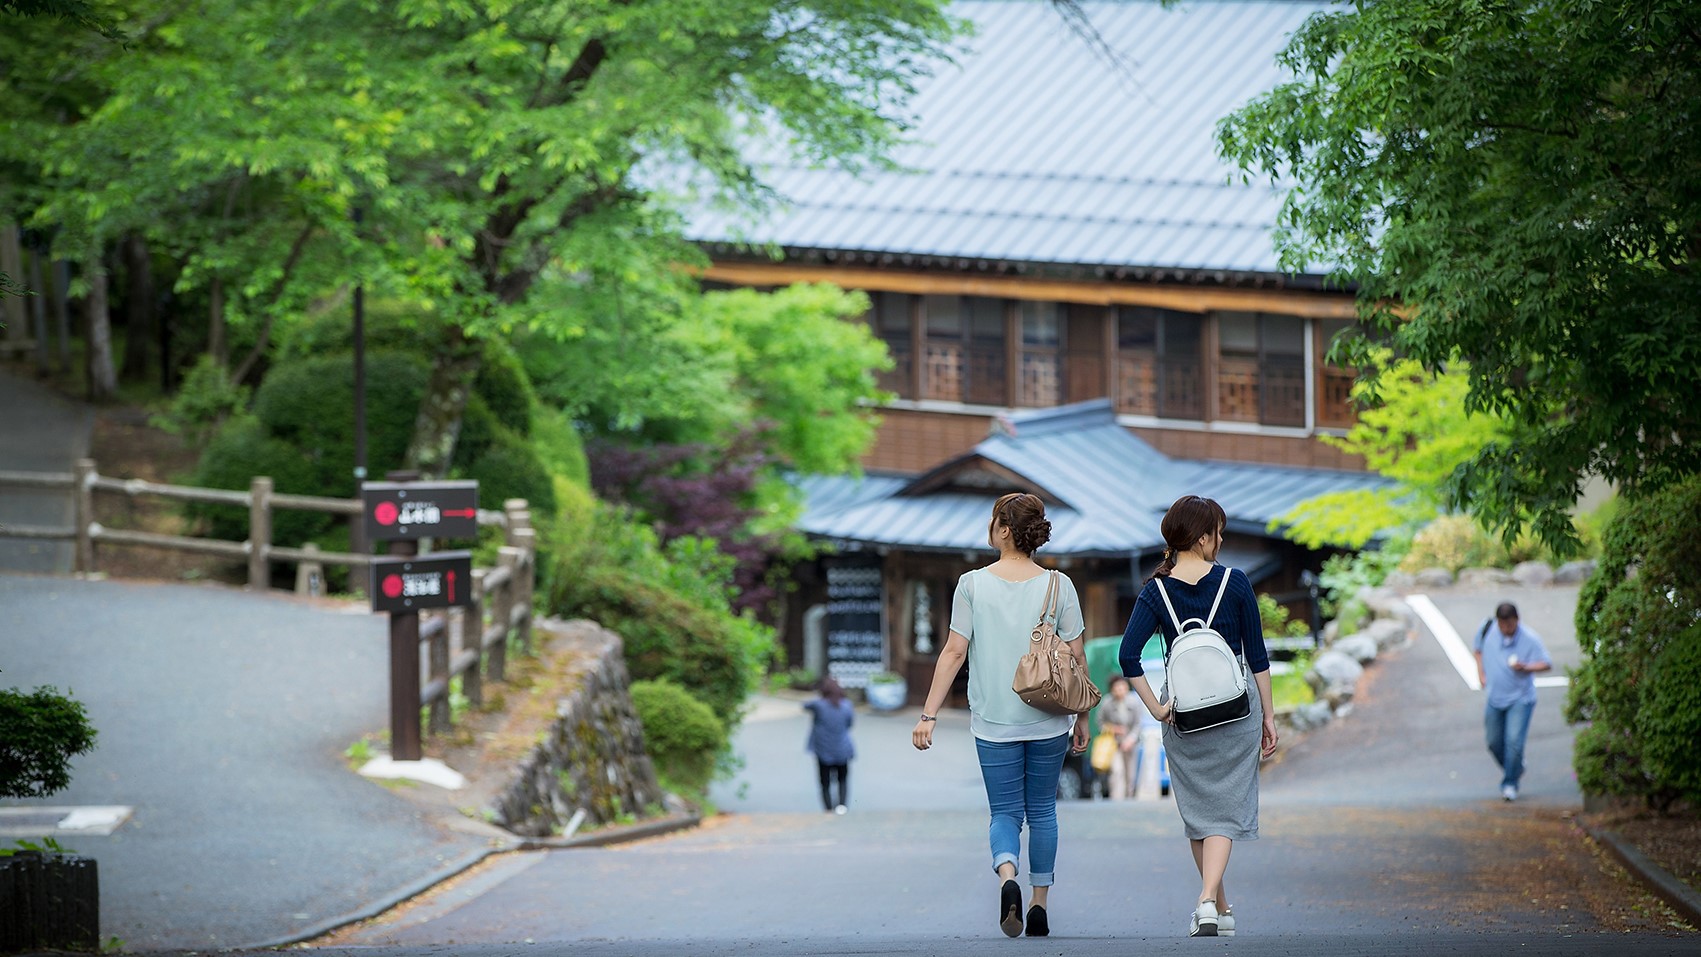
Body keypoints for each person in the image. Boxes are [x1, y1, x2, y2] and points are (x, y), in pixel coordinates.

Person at [911, 492, 1090, 939]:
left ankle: (1008, 874)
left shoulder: (972, 584)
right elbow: (1076, 655)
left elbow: (954, 652)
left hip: (993, 721)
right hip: (1049, 717)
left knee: (1005, 813)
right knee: (1043, 811)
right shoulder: (1059, 585)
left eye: (993, 521)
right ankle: (1039, 903)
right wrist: (1083, 716)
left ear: (1005, 530)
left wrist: (929, 715)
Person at [1118, 494, 1276, 938]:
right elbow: (1257, 656)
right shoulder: (1235, 582)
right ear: (1203, 537)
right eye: (1218, 533)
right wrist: (1269, 716)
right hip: (1236, 708)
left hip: (1183, 713)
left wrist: (1156, 708)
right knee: (1222, 811)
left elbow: (1128, 656)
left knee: (1200, 813)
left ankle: (1218, 908)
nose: (1220, 541)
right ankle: (1210, 901)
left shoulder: (1156, 590)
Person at [1472, 602, 1552, 802]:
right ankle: (1516, 767)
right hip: (1495, 697)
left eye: (1510, 625)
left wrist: (1526, 667)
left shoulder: (1529, 638)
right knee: (1493, 742)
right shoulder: (1487, 629)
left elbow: (1546, 663)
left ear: (1517, 620)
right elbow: (1478, 649)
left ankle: (1510, 783)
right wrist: (1481, 673)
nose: (1506, 629)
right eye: (1502, 625)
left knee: (1514, 743)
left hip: (1520, 699)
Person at [804, 676, 855, 813]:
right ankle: (842, 806)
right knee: (842, 779)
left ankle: (828, 809)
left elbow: (805, 705)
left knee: (825, 783)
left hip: (823, 749)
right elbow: (850, 724)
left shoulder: (819, 705)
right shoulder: (846, 705)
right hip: (843, 748)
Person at [1098, 676, 1142, 800]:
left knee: (1130, 773)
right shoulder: (1107, 702)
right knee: (1116, 771)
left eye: (1122, 686)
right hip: (1114, 743)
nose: (1120, 690)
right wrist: (1113, 729)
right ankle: (1116, 798)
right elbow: (1100, 723)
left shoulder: (1134, 702)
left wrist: (1131, 740)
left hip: (1131, 743)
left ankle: (1129, 797)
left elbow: (1138, 724)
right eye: (1117, 687)